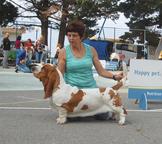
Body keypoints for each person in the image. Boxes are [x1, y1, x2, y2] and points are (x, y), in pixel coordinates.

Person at [57, 20, 123, 120]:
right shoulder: (63, 52)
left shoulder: (91, 50)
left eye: (74, 35)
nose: (71, 38)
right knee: (73, 117)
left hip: (91, 91)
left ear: (81, 36)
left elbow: (101, 71)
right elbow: (59, 75)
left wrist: (114, 76)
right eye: (69, 35)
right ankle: (82, 111)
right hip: (73, 93)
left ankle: (105, 110)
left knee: (103, 117)